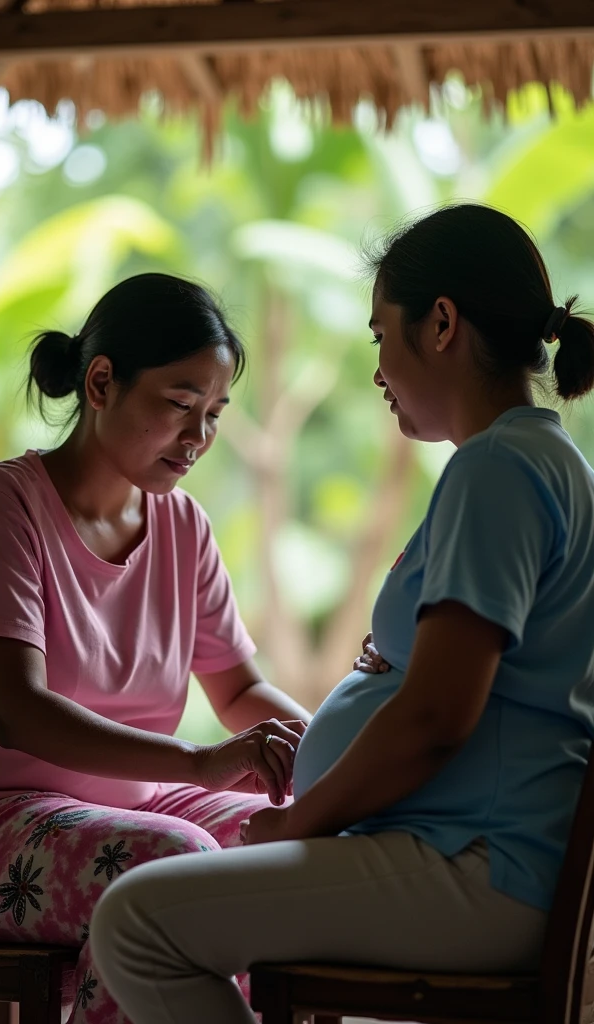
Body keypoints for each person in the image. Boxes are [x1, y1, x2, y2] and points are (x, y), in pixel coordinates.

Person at [89, 203, 594, 1024]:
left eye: (379, 336)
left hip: (478, 867)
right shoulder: (545, 461)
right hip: (484, 855)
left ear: (441, 325)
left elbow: (436, 714)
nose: (378, 369)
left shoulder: (498, 470)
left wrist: (300, 822)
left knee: (137, 920)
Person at [0, 273, 310, 1024]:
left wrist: (326, 751)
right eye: (180, 405)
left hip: (127, 814)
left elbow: (239, 689)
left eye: (215, 414)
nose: (198, 438)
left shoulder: (183, 527)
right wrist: (199, 762)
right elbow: (19, 715)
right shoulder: (2, 504)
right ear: (100, 383)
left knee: (291, 840)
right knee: (173, 863)